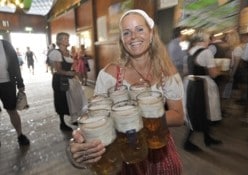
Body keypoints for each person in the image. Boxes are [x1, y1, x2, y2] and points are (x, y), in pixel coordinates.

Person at [69, 9, 184, 175]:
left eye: (140, 29)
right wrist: (80, 137)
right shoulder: (109, 74)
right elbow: (96, 117)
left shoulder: (166, 69)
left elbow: (179, 115)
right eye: (127, 32)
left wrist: (138, 121)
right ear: (122, 40)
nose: (134, 37)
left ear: (151, 34)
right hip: (125, 152)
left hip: (159, 147)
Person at [183, 30, 222, 151]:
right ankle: (187, 142)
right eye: (208, 39)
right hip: (202, 86)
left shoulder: (189, 52)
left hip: (190, 84)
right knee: (203, 112)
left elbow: (186, 71)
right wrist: (220, 69)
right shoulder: (207, 52)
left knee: (197, 112)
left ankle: (207, 138)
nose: (210, 41)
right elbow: (213, 74)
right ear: (203, 41)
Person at [0, 39, 30, 146]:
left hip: (7, 83)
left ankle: (20, 135)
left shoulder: (5, 45)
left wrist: (20, 83)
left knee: (12, 110)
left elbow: (15, 64)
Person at [48, 32, 76, 131]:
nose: (67, 40)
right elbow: (58, 70)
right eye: (65, 38)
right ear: (59, 41)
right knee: (61, 100)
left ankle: (73, 118)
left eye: (67, 38)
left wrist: (73, 71)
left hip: (68, 79)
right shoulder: (56, 53)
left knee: (70, 99)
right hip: (59, 80)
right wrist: (69, 73)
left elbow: (69, 65)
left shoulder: (68, 52)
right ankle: (62, 123)